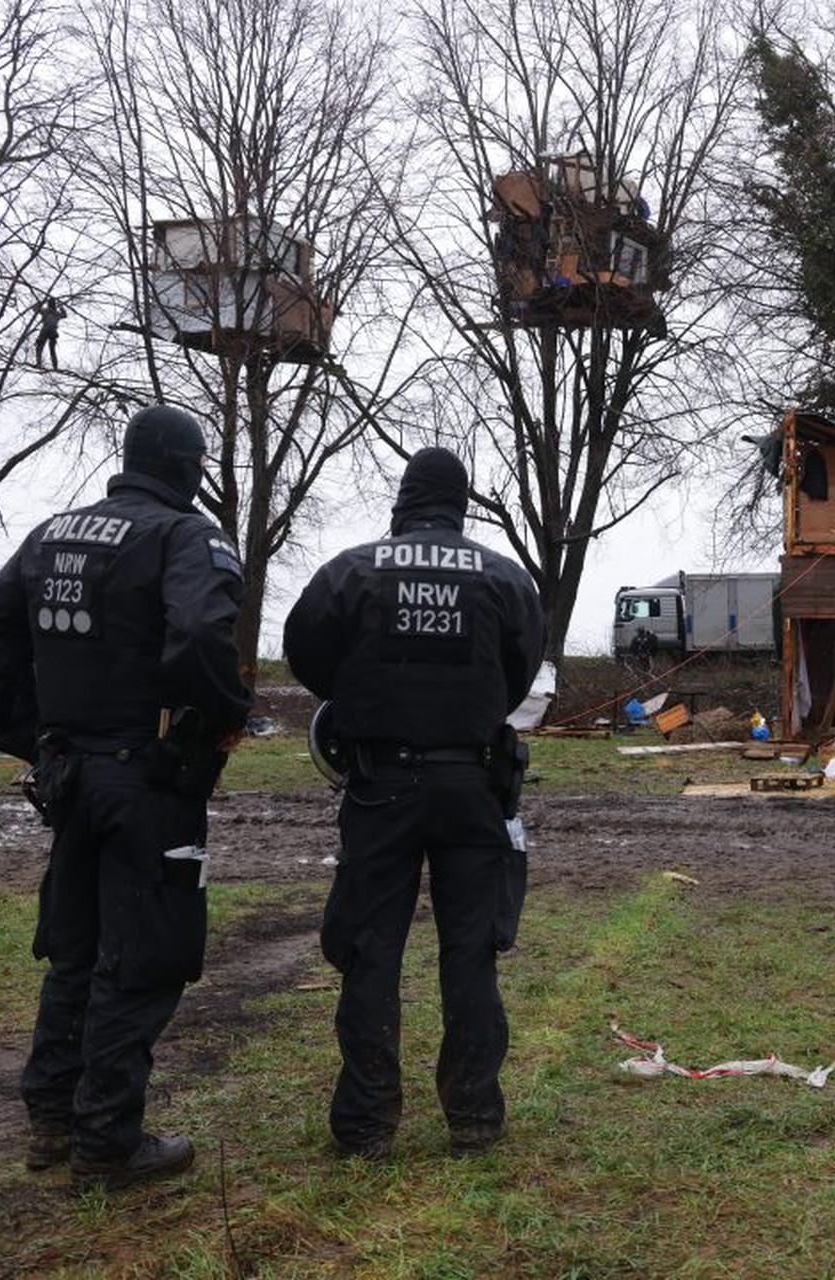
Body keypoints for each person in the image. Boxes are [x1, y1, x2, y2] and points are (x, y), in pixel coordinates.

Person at [0, 404, 252, 1191]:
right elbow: (198, 635)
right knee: (145, 954)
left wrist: (35, 737)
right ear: (188, 467)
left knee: (75, 946)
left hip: (72, 776)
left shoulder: (52, 533)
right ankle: (107, 1141)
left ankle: (52, 1118)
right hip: (148, 780)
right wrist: (226, 716)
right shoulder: (186, 538)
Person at [283, 447, 544, 1160]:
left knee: (370, 953)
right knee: (471, 953)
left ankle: (366, 1124)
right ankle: (474, 1117)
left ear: (403, 499)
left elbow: (304, 654)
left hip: (380, 785)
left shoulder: (351, 569)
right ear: (462, 503)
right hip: (474, 786)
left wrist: (366, 692)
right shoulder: (502, 576)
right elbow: (521, 671)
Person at [33, 296, 68, 369]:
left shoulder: (47, 311)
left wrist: (42, 301)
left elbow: (35, 308)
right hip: (51, 331)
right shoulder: (54, 313)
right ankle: (53, 366)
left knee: (41, 347)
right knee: (50, 349)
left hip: (47, 330)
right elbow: (64, 315)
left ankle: (40, 363)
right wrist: (61, 306)